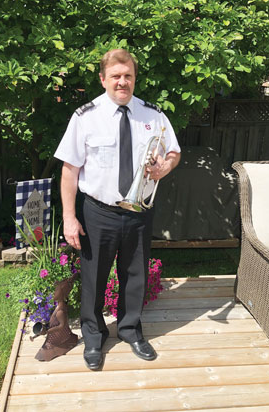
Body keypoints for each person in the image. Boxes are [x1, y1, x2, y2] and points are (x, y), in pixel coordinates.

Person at [54, 49, 181, 370]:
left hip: (139, 210)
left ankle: (129, 329)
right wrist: (70, 217)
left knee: (136, 273)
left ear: (134, 78)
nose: (122, 82)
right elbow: (69, 171)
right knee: (94, 277)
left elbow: (174, 152)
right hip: (99, 212)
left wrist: (165, 167)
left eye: (128, 76)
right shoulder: (85, 117)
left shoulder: (153, 115)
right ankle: (94, 336)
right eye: (116, 76)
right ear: (103, 79)